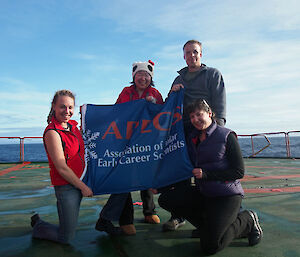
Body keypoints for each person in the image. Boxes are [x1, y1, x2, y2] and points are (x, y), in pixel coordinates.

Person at [158, 99, 263, 255]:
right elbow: (185, 168)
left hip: (227, 195)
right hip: (205, 193)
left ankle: (247, 220)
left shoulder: (226, 135)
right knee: (166, 198)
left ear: (209, 113)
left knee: (210, 246)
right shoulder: (192, 138)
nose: (195, 120)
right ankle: (207, 228)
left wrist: (206, 174)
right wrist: (160, 187)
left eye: (199, 114)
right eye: (192, 117)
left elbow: (238, 172)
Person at [163, 39, 227, 232]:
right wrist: (170, 92)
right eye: (188, 53)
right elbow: (169, 103)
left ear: (201, 54)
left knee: (205, 174)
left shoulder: (213, 74)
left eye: (195, 52)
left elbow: (220, 103)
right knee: (181, 174)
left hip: (205, 129)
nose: (192, 55)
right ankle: (179, 216)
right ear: (183, 56)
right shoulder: (178, 79)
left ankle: (207, 218)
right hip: (182, 132)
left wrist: (217, 131)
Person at [95, 60, 163, 236]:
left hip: (147, 141)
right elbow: (119, 111)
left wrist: (152, 105)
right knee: (125, 178)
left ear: (151, 78)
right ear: (134, 76)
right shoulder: (126, 92)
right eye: (139, 74)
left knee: (146, 176)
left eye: (146, 75)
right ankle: (126, 220)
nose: (143, 78)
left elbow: (163, 114)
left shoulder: (155, 93)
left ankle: (149, 212)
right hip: (126, 141)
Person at [31, 89, 93, 244]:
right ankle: (38, 225)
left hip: (81, 179)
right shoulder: (52, 133)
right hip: (67, 186)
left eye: (70, 107)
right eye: (62, 107)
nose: (67, 111)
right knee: (66, 237)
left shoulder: (73, 127)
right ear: (53, 106)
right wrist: (83, 187)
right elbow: (61, 167)